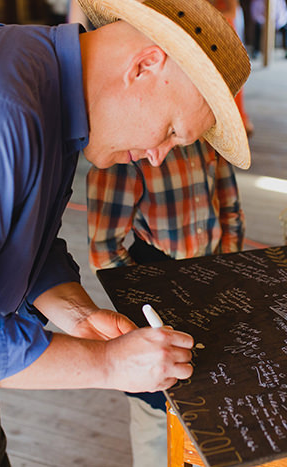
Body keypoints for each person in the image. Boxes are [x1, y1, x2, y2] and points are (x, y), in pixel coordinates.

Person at [0, 0, 251, 464]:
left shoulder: (47, 86)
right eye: (171, 130)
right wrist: (108, 364)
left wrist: (75, 312)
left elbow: (10, 232)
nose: (158, 156)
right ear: (145, 66)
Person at [87, 139, 244, 466]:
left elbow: (230, 209)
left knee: (209, 388)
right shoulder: (129, 149)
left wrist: (224, 272)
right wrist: (146, 299)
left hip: (212, 277)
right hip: (153, 283)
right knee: (155, 403)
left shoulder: (208, 137)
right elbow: (104, 250)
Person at [211, 0, 255, 135]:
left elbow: (232, 12)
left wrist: (205, 13)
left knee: (230, 79)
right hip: (212, 30)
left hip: (225, 30)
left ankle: (239, 122)